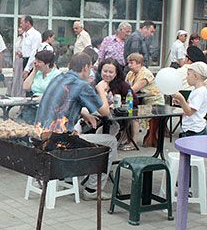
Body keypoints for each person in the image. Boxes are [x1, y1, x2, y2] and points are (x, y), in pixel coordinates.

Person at [36, 52, 118, 200]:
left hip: (41, 135)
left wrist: (84, 114)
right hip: (59, 140)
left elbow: (63, 103)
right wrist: (101, 91)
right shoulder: (82, 85)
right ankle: (92, 190)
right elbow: (105, 111)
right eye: (91, 68)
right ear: (86, 67)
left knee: (80, 134)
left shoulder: (58, 77)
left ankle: (70, 177)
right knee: (110, 141)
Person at [98, 58, 139, 150]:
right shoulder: (98, 84)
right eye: (105, 71)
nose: (107, 74)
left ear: (116, 73)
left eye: (111, 72)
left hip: (117, 116)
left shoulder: (122, 85)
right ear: (100, 71)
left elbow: (135, 100)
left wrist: (118, 104)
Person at [125, 53, 164, 147]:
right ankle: (126, 138)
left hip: (154, 103)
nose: (129, 65)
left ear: (139, 63)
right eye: (128, 63)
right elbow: (125, 86)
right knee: (125, 113)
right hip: (141, 101)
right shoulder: (130, 73)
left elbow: (133, 89)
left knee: (134, 116)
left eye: (131, 63)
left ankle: (133, 142)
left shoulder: (145, 74)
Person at [21, 50, 61, 124]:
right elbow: (26, 87)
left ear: (47, 64)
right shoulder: (38, 73)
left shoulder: (57, 75)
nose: (36, 64)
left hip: (48, 108)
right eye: (35, 61)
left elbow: (56, 94)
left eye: (39, 62)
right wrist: (34, 71)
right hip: (33, 106)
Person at [172, 62, 207, 137]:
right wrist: (180, 102)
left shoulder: (200, 92)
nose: (186, 77)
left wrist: (181, 99)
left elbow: (189, 112)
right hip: (190, 128)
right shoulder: (196, 90)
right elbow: (188, 107)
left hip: (194, 130)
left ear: (195, 76)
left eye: (188, 74)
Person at [9, 27, 25, 97]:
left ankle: (21, 93)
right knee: (16, 77)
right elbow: (15, 51)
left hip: (23, 59)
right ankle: (15, 93)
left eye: (21, 28)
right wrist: (14, 63)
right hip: (17, 59)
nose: (19, 30)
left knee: (21, 77)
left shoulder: (26, 39)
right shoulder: (18, 38)